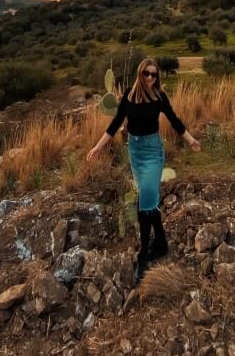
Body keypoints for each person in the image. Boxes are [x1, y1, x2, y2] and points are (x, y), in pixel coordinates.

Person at [86, 57, 201, 282]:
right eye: (146, 74)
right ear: (140, 74)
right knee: (147, 197)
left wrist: (191, 140)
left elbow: (174, 120)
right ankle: (160, 242)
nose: (150, 78)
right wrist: (98, 147)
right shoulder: (129, 95)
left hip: (153, 151)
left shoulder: (159, 97)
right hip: (135, 151)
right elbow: (115, 123)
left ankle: (143, 256)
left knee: (144, 203)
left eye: (154, 74)